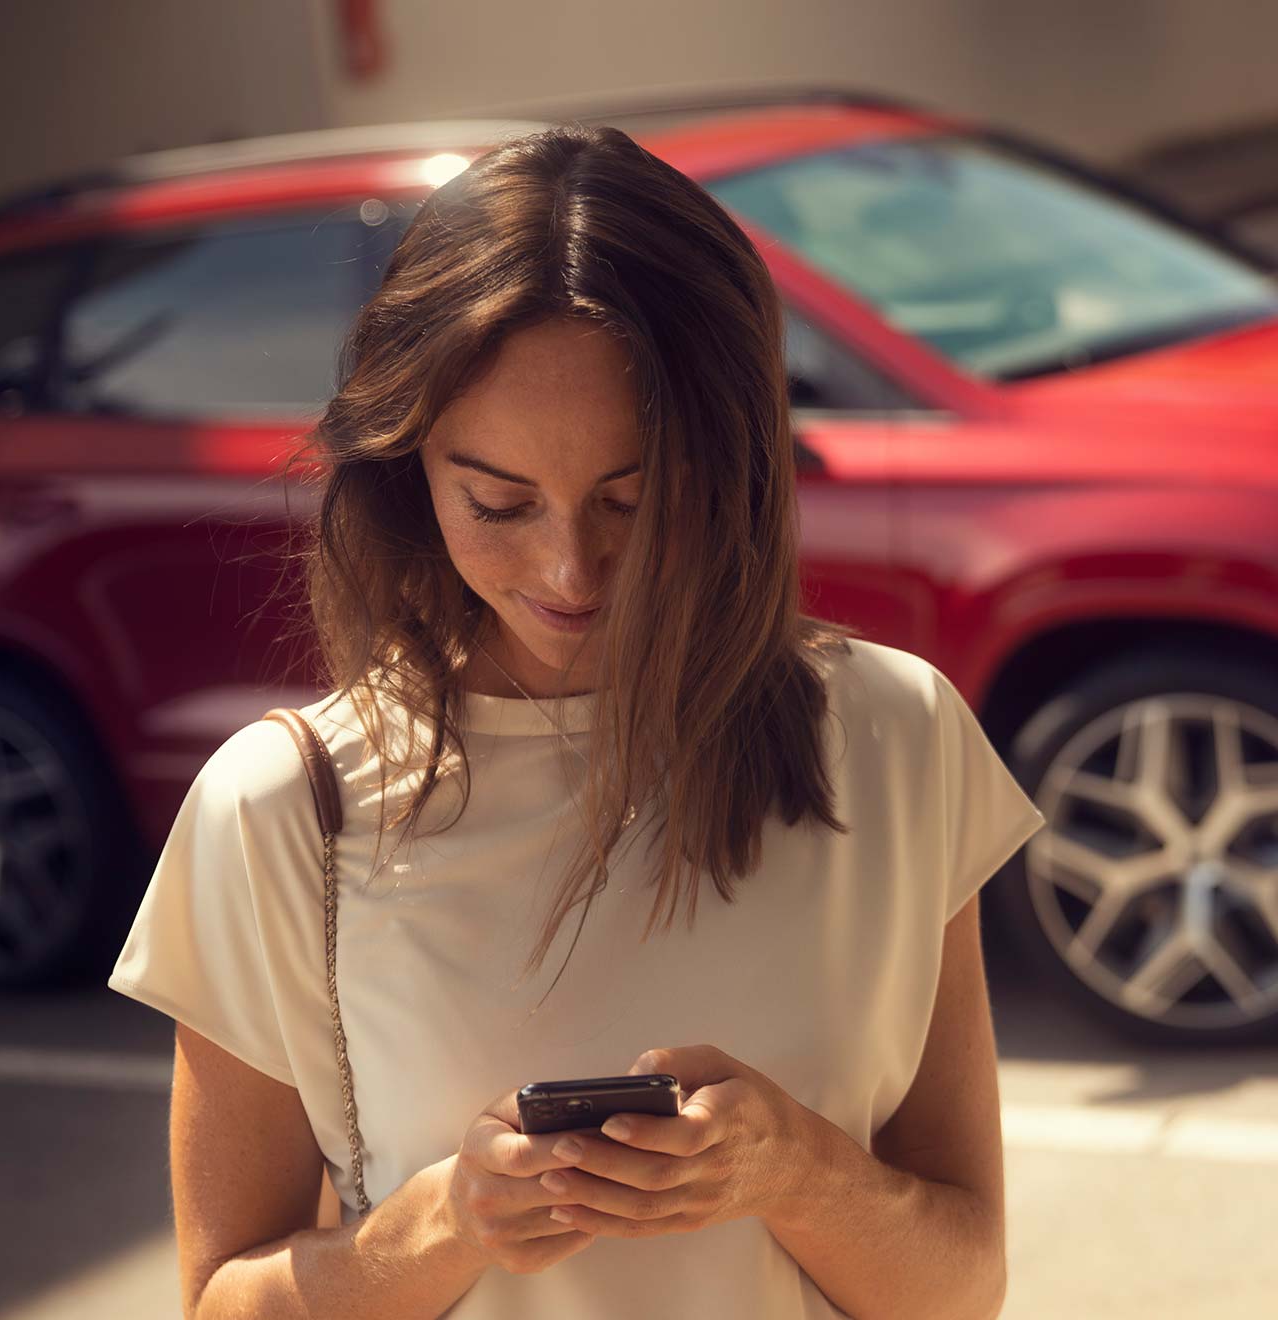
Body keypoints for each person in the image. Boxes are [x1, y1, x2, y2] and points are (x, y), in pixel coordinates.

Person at [108, 122, 1044, 1320]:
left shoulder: (894, 737)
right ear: (410, 472)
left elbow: (961, 1293)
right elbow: (219, 1305)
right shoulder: (285, 810)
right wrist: (447, 1224)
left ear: (734, 465)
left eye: (631, 501)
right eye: (497, 501)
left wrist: (797, 1171)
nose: (571, 569)